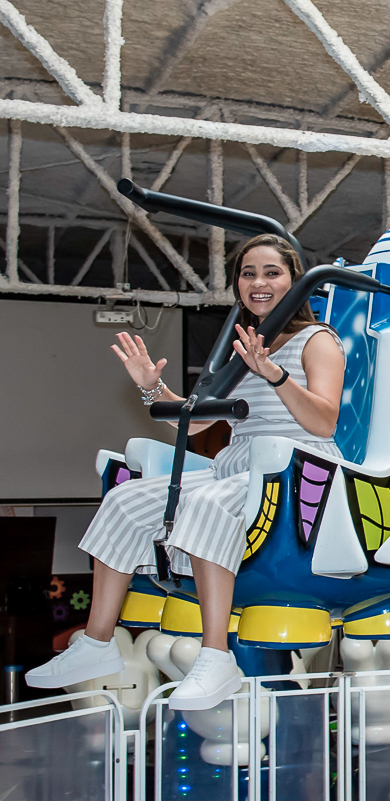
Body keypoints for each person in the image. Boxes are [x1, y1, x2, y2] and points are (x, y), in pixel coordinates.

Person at [26, 234, 345, 710]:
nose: (258, 282)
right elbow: (194, 420)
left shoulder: (317, 340)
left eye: (271, 272)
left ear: (295, 281)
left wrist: (275, 375)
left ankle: (216, 656)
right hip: (237, 464)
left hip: (296, 462)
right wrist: (153, 389)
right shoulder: (242, 347)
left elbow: (324, 420)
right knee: (125, 501)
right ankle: (96, 643)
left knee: (203, 502)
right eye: (248, 273)